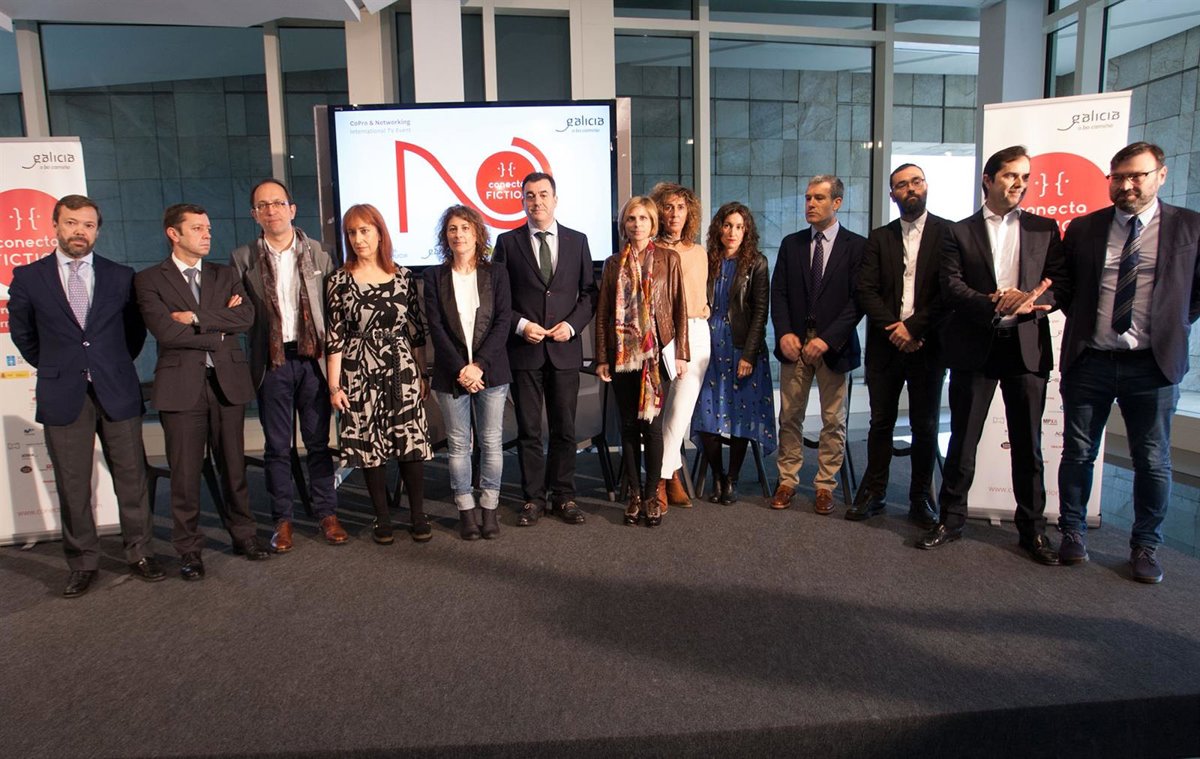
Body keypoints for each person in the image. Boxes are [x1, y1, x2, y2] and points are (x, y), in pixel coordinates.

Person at [1055, 141, 1200, 583]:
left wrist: (1172, 324)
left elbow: (1194, 294)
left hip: (1152, 365)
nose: (1127, 185)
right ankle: (1073, 532)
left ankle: (1145, 545)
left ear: (1161, 175)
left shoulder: (1190, 228)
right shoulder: (1085, 227)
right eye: (1118, 177)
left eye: (1137, 175)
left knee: (1152, 460)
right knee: (1078, 451)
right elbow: (1069, 290)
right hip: (1091, 360)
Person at [8, 194, 162, 597]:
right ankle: (82, 563)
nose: (80, 231)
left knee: (131, 478)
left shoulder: (120, 276)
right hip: (63, 392)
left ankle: (140, 552)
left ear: (97, 231)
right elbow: (24, 335)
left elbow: (133, 334)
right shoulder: (29, 277)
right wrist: (62, 366)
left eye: (89, 225)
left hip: (117, 389)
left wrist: (107, 365)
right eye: (72, 223)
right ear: (55, 225)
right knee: (73, 484)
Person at [918, 145, 1065, 566]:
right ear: (988, 179)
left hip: (1026, 348)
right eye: (1010, 175)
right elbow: (951, 286)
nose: (1019, 184)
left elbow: (1060, 284)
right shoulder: (958, 232)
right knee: (963, 440)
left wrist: (1033, 302)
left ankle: (1033, 530)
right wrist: (994, 302)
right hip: (975, 345)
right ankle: (950, 519)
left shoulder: (1044, 229)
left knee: (1028, 444)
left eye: (1025, 177)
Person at [136, 203, 270, 581]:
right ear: (173, 234)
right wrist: (218, 330)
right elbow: (166, 332)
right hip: (181, 387)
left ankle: (244, 535)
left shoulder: (224, 274)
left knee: (234, 467)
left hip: (227, 383)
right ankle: (189, 550)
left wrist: (195, 318)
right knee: (185, 475)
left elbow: (246, 317)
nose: (207, 234)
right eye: (197, 228)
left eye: (208, 227)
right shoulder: (149, 280)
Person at [230, 179, 345, 553]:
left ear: (292, 209)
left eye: (278, 203)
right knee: (278, 447)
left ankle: (327, 514)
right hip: (272, 362)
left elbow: (333, 311)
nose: (271, 210)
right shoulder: (242, 258)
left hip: (313, 360)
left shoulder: (321, 253)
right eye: (263, 205)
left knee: (318, 442)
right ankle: (283, 520)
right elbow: (242, 313)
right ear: (255, 215)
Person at [493, 172, 598, 527]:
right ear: (522, 201)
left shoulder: (577, 241)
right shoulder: (507, 243)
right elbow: (498, 298)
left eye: (542, 194)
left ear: (555, 199)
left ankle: (564, 496)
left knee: (565, 429)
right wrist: (521, 325)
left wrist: (571, 326)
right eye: (529, 195)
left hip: (564, 350)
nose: (536, 201)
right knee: (529, 431)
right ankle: (533, 499)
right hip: (525, 351)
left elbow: (589, 293)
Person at [326, 204, 432, 544]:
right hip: (358, 369)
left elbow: (416, 331)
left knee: (410, 441)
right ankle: (382, 517)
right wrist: (334, 386)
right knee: (369, 444)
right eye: (352, 233)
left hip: (402, 368)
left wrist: (422, 374)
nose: (358, 239)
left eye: (364, 231)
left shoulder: (403, 276)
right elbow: (335, 337)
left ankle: (418, 515)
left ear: (379, 233)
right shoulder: (339, 280)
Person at [848, 164, 947, 527]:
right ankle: (874, 492)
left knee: (925, 425)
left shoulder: (948, 233)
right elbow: (865, 290)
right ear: (893, 195)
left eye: (916, 182)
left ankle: (920, 498)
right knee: (880, 423)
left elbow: (947, 292)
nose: (910, 189)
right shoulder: (879, 238)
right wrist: (895, 329)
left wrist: (914, 329)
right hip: (885, 346)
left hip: (927, 346)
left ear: (926, 186)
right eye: (902, 185)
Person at [770, 175, 865, 515]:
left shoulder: (856, 246)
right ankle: (787, 480)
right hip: (794, 344)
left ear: (837, 203)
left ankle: (825, 485)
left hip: (834, 346)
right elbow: (779, 293)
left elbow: (858, 302)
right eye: (808, 197)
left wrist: (826, 339)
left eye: (819, 198)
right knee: (789, 416)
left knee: (833, 419)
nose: (810, 203)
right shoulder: (791, 244)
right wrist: (783, 332)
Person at [595, 196, 689, 527]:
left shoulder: (668, 258)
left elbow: (679, 308)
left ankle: (652, 495)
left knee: (652, 428)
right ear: (624, 224)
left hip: (657, 355)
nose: (637, 224)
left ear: (653, 223)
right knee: (629, 426)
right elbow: (603, 313)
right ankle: (634, 495)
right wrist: (602, 358)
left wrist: (682, 353)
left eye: (643, 219)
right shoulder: (612, 263)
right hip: (623, 357)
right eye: (631, 219)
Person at [423, 205, 512, 541]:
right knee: (459, 445)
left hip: (491, 371)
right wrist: (462, 368)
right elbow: (436, 328)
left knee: (491, 443)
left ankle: (489, 510)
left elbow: (503, 321)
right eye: (452, 229)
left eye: (465, 228)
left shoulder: (497, 273)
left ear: (477, 233)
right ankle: (466, 512)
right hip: (452, 374)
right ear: (445, 236)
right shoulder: (434, 277)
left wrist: (479, 366)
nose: (458, 234)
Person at [691, 202, 776, 503]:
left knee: (742, 415)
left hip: (742, 345)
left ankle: (732, 478)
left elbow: (760, 312)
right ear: (719, 228)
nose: (733, 232)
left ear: (747, 231)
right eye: (728, 225)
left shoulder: (757, 263)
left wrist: (749, 355)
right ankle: (717, 475)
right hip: (709, 343)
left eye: (739, 227)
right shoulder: (708, 259)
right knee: (707, 414)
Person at [650, 182, 711, 509]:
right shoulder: (650, 249)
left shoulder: (699, 252)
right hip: (664, 332)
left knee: (680, 412)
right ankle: (668, 475)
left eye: (681, 208)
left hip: (697, 331)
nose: (675, 214)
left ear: (690, 213)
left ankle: (661, 477)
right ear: (658, 211)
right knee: (658, 413)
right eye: (668, 207)